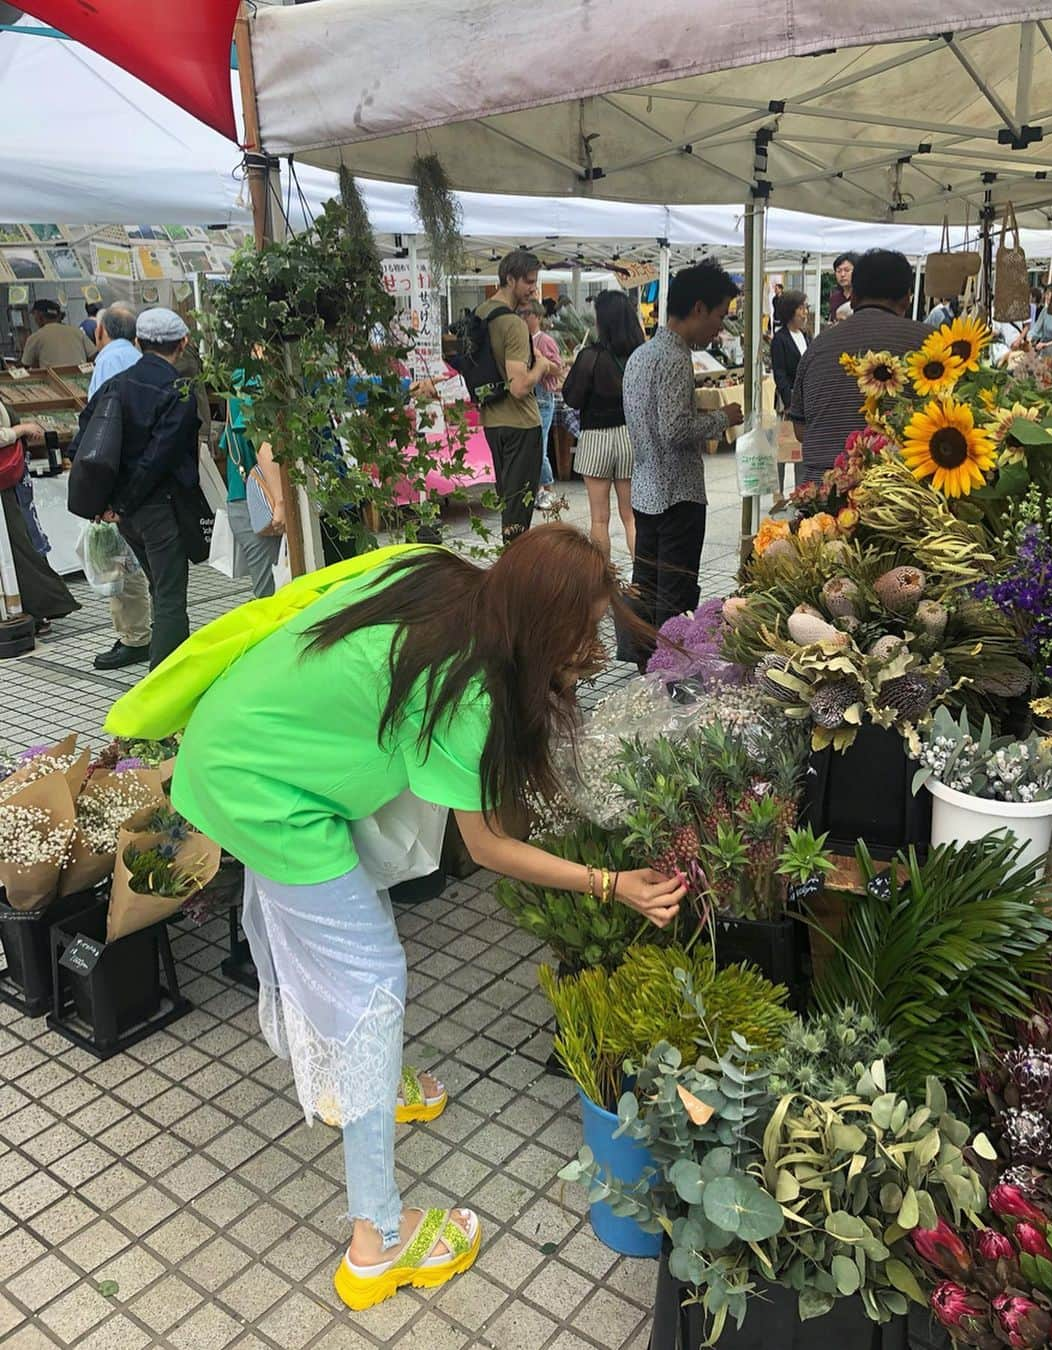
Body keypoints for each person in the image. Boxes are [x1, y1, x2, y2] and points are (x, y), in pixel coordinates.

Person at [154, 526, 685, 1311]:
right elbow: (491, 846)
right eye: (582, 634)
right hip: (262, 788)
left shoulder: (442, 576)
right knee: (373, 980)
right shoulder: (469, 686)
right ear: (540, 623)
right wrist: (610, 883)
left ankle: (360, 1082)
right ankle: (377, 1243)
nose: (595, 651)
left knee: (346, 937)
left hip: (250, 738)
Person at [622, 260, 743, 661]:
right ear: (697, 309)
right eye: (719, 316)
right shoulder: (675, 358)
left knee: (648, 584)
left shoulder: (640, 355)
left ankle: (645, 659)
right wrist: (721, 419)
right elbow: (675, 429)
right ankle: (668, 668)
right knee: (674, 591)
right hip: (678, 494)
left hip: (646, 489)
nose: (719, 329)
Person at [102, 308, 199, 667]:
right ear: (184, 343)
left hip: (127, 514)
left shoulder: (117, 384)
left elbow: (88, 442)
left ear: (139, 343)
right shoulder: (179, 391)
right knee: (170, 595)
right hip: (160, 508)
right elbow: (159, 457)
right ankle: (164, 683)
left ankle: (172, 668)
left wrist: (111, 503)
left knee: (160, 586)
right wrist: (126, 502)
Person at [790, 249, 931, 485]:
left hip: (821, 503)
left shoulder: (817, 347)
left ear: (853, 297)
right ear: (908, 297)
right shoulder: (932, 345)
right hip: (901, 500)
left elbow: (800, 430)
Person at [81, 304, 153, 670]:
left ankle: (135, 636)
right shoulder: (138, 358)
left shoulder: (108, 363)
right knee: (133, 562)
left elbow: (101, 435)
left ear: (100, 332)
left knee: (121, 564)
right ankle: (136, 631)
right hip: (140, 481)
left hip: (118, 483)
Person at [474, 251, 559, 542]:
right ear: (509, 279)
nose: (534, 290)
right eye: (529, 282)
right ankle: (513, 576)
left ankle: (509, 568)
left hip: (492, 421)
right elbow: (520, 386)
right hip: (521, 424)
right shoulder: (513, 323)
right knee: (518, 515)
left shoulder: (481, 313)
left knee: (507, 504)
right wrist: (542, 367)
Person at [561, 290, 644, 563]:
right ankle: (643, 583)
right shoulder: (640, 355)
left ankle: (603, 583)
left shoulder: (590, 357)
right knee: (631, 517)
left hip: (595, 439)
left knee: (599, 519)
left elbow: (571, 397)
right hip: (629, 437)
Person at [0, 404, 77, 632]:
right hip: (5, 490)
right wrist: (21, 430)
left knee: (20, 544)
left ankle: (36, 608)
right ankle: (39, 607)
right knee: (18, 545)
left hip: (9, 486)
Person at [222, 371, 285, 599]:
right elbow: (261, 440)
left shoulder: (241, 374)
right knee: (274, 598)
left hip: (247, 500)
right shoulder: (254, 375)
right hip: (261, 502)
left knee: (271, 592)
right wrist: (280, 501)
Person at [517, 300, 564, 510]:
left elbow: (558, 368)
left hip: (543, 398)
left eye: (527, 314)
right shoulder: (519, 340)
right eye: (520, 314)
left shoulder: (545, 341)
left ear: (537, 316)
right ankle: (537, 490)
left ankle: (549, 489)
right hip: (527, 397)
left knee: (539, 446)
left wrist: (541, 361)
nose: (523, 318)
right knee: (530, 446)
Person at [21, 298, 95, 367]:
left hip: (53, 380)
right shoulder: (76, 332)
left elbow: (25, 365)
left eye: (34, 315)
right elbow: (93, 355)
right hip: (80, 378)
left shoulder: (36, 337)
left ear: (39, 316)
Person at [770, 290, 809, 414]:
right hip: (790, 400)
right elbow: (780, 373)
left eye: (806, 308)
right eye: (801, 309)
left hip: (806, 398)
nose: (805, 313)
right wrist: (789, 402)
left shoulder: (805, 335)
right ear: (790, 311)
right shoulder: (780, 339)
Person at [829, 253, 858, 322]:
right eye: (839, 271)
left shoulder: (863, 296)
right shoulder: (834, 298)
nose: (842, 274)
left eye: (847, 270)